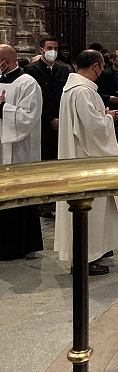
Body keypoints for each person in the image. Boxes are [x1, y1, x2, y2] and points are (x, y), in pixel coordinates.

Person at [54, 50, 118, 275]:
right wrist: (109, 117)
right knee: (92, 210)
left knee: (100, 209)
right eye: (101, 67)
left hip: (82, 156)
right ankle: (85, 258)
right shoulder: (82, 92)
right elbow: (94, 128)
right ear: (96, 66)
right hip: (87, 160)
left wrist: (103, 116)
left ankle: (97, 249)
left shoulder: (74, 89)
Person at [0, 45, 44, 261]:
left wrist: (2, 109)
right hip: (1, 149)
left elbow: (28, 117)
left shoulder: (28, 83)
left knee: (19, 199)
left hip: (19, 150)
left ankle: (20, 246)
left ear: (6, 61)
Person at [24, 35, 69, 162]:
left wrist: (60, 117)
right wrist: (50, 119)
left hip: (61, 119)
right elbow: (33, 99)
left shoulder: (63, 69)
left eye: (55, 48)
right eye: (49, 48)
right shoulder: (31, 69)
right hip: (42, 120)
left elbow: (65, 94)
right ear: (41, 50)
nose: (53, 51)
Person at [96, 49, 118, 127]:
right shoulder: (104, 74)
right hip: (109, 108)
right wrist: (108, 98)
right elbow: (96, 92)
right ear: (113, 60)